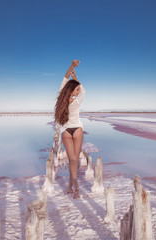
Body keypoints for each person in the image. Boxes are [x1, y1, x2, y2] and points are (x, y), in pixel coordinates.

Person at [54, 59, 85, 199]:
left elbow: (83, 89)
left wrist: (76, 79)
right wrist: (72, 66)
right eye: (76, 89)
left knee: (74, 159)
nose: (78, 92)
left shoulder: (79, 100)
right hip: (66, 131)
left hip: (77, 129)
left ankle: (73, 185)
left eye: (78, 90)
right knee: (71, 159)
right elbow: (65, 78)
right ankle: (73, 184)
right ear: (71, 89)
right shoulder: (62, 97)